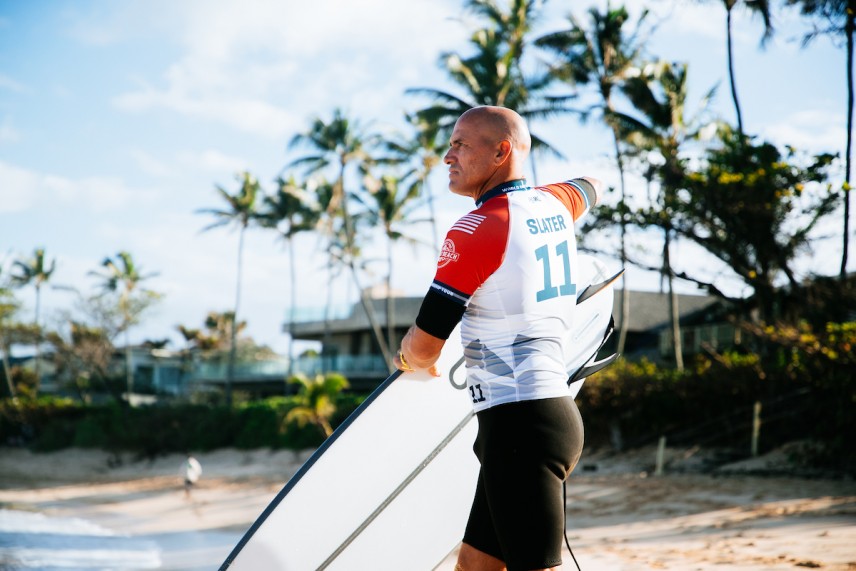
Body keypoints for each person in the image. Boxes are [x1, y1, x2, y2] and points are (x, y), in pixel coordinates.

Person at [393, 105, 603, 571]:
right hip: (537, 420)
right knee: (474, 565)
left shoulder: (476, 229)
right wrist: (554, 195)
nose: (447, 156)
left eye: (460, 144)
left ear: (500, 151)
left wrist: (406, 357)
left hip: (520, 425)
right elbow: (591, 187)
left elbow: (426, 346)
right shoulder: (554, 204)